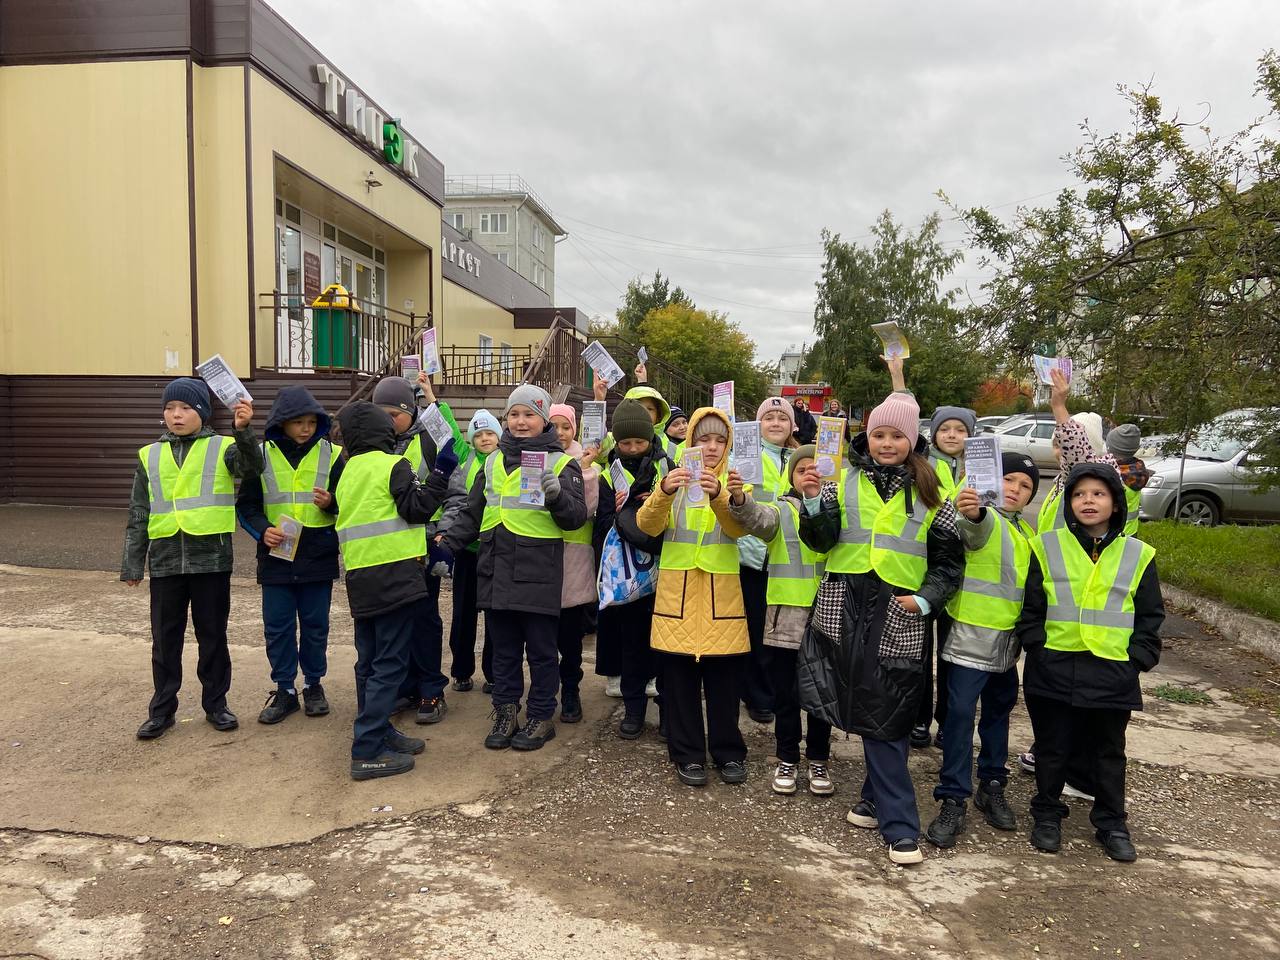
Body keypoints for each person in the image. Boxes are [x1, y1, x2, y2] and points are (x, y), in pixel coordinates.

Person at [797, 358, 964, 865]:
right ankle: (872, 798)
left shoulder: (935, 492)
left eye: (896, 435)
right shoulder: (840, 482)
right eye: (878, 434)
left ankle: (899, 824)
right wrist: (810, 505)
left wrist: (925, 599)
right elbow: (819, 542)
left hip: (897, 610)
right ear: (866, 437)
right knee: (860, 704)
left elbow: (948, 565)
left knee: (886, 711)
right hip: (844, 602)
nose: (886, 443)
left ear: (912, 441)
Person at [1017, 462, 1164, 862]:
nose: (1088, 501)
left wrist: (1139, 659)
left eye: (1098, 494)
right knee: (1053, 748)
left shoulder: (1138, 553)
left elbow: (1150, 614)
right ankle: (1047, 815)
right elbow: (1031, 606)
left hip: (1113, 672)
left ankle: (1112, 822)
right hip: (1054, 667)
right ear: (1069, 503)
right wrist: (1037, 645)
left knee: (1108, 752)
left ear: (1115, 503)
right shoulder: (1047, 546)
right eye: (1079, 494)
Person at [439, 383, 587, 752]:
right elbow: (472, 512)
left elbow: (575, 518)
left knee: (540, 651)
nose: (521, 422)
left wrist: (556, 497)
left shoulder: (562, 462)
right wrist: (447, 547)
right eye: (514, 415)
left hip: (538, 570)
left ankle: (540, 716)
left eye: (530, 414)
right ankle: (505, 712)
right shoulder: (490, 461)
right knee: (502, 651)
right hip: (495, 569)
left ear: (543, 419)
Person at [634, 408, 775, 786]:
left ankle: (729, 752)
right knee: (678, 683)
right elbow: (647, 525)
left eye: (719, 440)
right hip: (676, 597)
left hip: (721, 598)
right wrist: (664, 491)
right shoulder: (672, 476)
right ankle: (688, 754)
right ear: (691, 440)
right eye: (704, 438)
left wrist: (721, 498)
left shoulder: (735, 483)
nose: (711, 447)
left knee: (724, 684)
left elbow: (736, 529)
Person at [123, 377, 260, 741]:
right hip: (166, 560)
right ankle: (162, 711)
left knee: (212, 636)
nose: (176, 415)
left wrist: (244, 431)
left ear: (200, 411)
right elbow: (139, 511)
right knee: (165, 640)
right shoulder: (148, 455)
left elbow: (253, 468)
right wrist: (133, 563)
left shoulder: (225, 447)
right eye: (169, 408)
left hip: (210, 560)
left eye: (184, 408)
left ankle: (216, 704)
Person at [332, 401, 455, 780]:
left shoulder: (347, 469)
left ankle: (379, 730)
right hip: (396, 575)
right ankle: (367, 748)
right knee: (390, 663)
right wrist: (440, 473)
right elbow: (417, 509)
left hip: (361, 577)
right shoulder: (392, 465)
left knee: (369, 660)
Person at [924, 452, 1039, 849]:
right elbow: (974, 528)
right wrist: (972, 512)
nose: (1015, 490)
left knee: (997, 716)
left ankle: (991, 783)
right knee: (958, 717)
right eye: (1010, 480)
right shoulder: (986, 519)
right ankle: (953, 798)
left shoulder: (1027, 535)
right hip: (969, 637)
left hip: (1007, 645)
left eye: (1025, 487)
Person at [1020, 369, 1116, 777]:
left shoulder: (1096, 475)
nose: (1060, 451)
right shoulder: (1064, 482)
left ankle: (1073, 767)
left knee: (1079, 687)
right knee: (1056, 686)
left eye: (1065, 443)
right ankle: (1053, 752)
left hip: (1084, 589)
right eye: (1059, 445)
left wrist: (1059, 406)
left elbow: (1080, 452)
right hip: (1057, 586)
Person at [236, 385, 343, 724]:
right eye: (298, 422)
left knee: (315, 626)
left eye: (312, 422)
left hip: (318, 555)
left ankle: (313, 685)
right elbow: (246, 506)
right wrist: (262, 529)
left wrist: (332, 503)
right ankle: (285, 690)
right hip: (276, 556)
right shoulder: (261, 455)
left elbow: (350, 504)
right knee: (278, 627)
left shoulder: (334, 454)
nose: (306, 428)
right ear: (281, 422)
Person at [373, 375, 453, 726]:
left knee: (423, 619)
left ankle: (430, 688)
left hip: (421, 548)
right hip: (382, 550)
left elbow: (458, 491)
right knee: (391, 622)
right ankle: (402, 687)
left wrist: (442, 537)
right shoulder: (367, 444)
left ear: (410, 411)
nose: (387, 421)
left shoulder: (429, 441)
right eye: (381, 413)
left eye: (394, 414)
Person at [596, 398, 674, 738]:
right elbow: (598, 527)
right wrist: (618, 514)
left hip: (665, 571)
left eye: (638, 442)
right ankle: (633, 709)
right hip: (626, 578)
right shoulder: (606, 475)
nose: (631, 448)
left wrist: (655, 504)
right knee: (631, 647)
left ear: (650, 438)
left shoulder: (667, 468)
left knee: (667, 645)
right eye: (625, 443)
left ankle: (670, 710)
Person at [761, 445, 834, 797]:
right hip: (784, 615)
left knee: (822, 693)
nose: (808, 473)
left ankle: (819, 758)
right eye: (800, 468)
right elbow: (754, 519)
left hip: (826, 613)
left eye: (814, 467)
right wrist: (738, 501)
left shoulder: (838, 513)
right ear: (790, 475)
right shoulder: (779, 509)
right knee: (786, 694)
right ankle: (787, 757)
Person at [911, 405, 978, 750]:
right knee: (919, 651)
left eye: (960, 429)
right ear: (933, 433)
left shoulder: (981, 466)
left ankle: (947, 720)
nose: (952, 435)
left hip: (968, 572)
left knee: (952, 654)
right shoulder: (922, 465)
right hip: (928, 569)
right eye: (945, 429)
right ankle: (918, 720)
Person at [737, 396, 800, 724]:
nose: (775, 423)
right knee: (757, 630)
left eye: (782, 418)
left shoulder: (800, 456)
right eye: (769, 417)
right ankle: (757, 696)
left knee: (784, 633)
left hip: (789, 560)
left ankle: (779, 692)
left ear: (792, 425)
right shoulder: (746, 454)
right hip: (753, 558)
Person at [437, 409, 501, 693]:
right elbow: (448, 428)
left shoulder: (506, 460)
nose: (485, 439)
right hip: (467, 550)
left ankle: (493, 672)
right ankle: (461, 670)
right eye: (479, 434)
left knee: (494, 616)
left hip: (495, 549)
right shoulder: (465, 458)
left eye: (490, 433)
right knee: (463, 614)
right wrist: (433, 398)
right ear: (471, 440)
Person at [549, 403, 601, 724]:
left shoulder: (586, 466)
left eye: (565, 427)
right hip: (543, 563)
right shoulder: (540, 461)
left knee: (569, 641)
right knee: (542, 641)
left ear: (574, 430)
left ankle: (570, 691)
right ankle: (544, 693)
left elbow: (589, 508)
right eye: (553, 426)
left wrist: (582, 471)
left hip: (574, 567)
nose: (559, 433)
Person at [1105, 423, 1150, 535]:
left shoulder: (1112, 473)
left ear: (1110, 448)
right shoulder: (1139, 469)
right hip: (1131, 531)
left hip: (1111, 532)